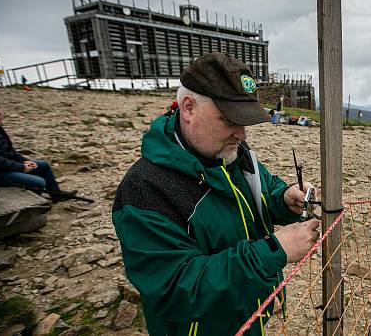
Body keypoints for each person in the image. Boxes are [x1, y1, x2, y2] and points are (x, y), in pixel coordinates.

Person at [112, 53, 320, 336]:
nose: (242, 133)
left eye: (245, 120)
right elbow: (175, 289)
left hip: (248, 316)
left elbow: (263, 193)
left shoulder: (234, 154)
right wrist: (272, 252)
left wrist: (284, 198)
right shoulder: (145, 189)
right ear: (188, 108)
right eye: (229, 120)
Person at [0, 102, 75, 202]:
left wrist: (24, 161)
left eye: (1, 114)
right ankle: (31, 204)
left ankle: (57, 195)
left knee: (43, 165)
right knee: (39, 182)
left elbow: (10, 151)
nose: (1, 118)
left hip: (6, 167)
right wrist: (20, 167)